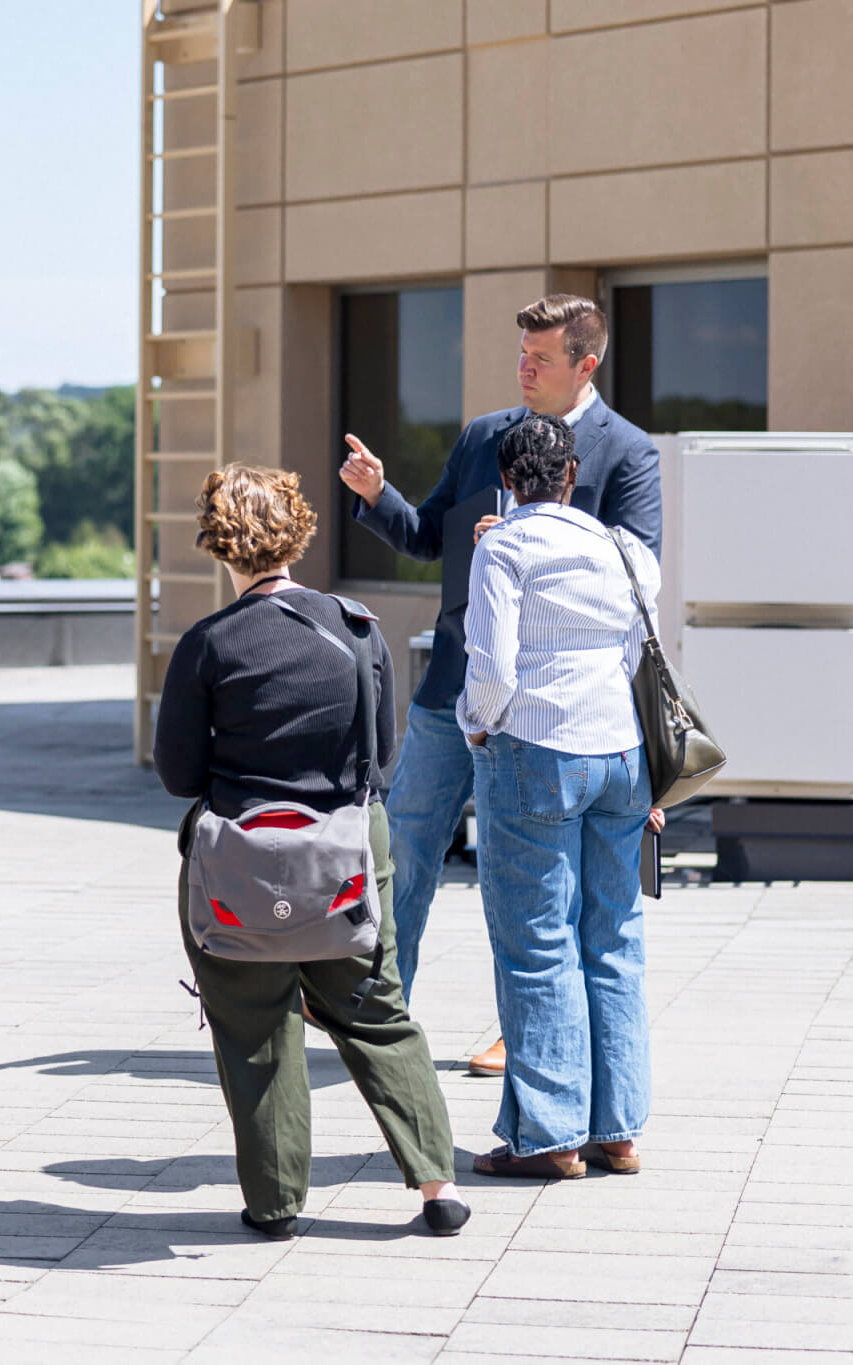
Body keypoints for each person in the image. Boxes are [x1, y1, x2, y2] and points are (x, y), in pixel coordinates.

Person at [339, 293, 660, 1078]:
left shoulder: (628, 452)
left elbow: (639, 575)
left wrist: (528, 540)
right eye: (520, 353)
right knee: (405, 847)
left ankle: (526, 1034)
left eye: (540, 357)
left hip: (556, 713)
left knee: (544, 885)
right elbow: (425, 535)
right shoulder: (485, 436)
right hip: (458, 688)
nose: (523, 368)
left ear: (586, 364)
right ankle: (381, 1016)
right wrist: (378, 493)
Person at [154, 464, 469, 1240]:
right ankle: (436, 1184)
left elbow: (177, 774)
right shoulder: (357, 629)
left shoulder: (208, 644)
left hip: (241, 866)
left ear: (219, 543)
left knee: (254, 1027)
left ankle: (274, 1201)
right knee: (378, 1015)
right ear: (299, 532)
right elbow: (381, 756)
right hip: (347, 858)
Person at [458, 413, 662, 1179]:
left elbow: (494, 667)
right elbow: (640, 642)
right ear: (572, 474)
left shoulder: (502, 547)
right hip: (623, 754)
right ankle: (618, 1130)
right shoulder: (621, 547)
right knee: (613, 939)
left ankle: (548, 1136)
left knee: (538, 945)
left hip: (537, 752)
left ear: (508, 482)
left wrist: (476, 728)